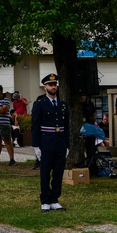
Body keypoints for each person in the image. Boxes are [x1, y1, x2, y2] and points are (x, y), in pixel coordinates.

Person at [31, 73, 70, 212]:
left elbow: (66, 126)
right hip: (46, 143)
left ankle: (55, 199)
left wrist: (67, 145)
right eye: (50, 85)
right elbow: (35, 126)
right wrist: (36, 146)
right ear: (45, 87)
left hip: (60, 142)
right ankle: (45, 200)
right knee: (45, 173)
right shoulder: (40, 104)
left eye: (55, 85)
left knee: (58, 173)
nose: (53, 87)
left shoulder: (63, 105)